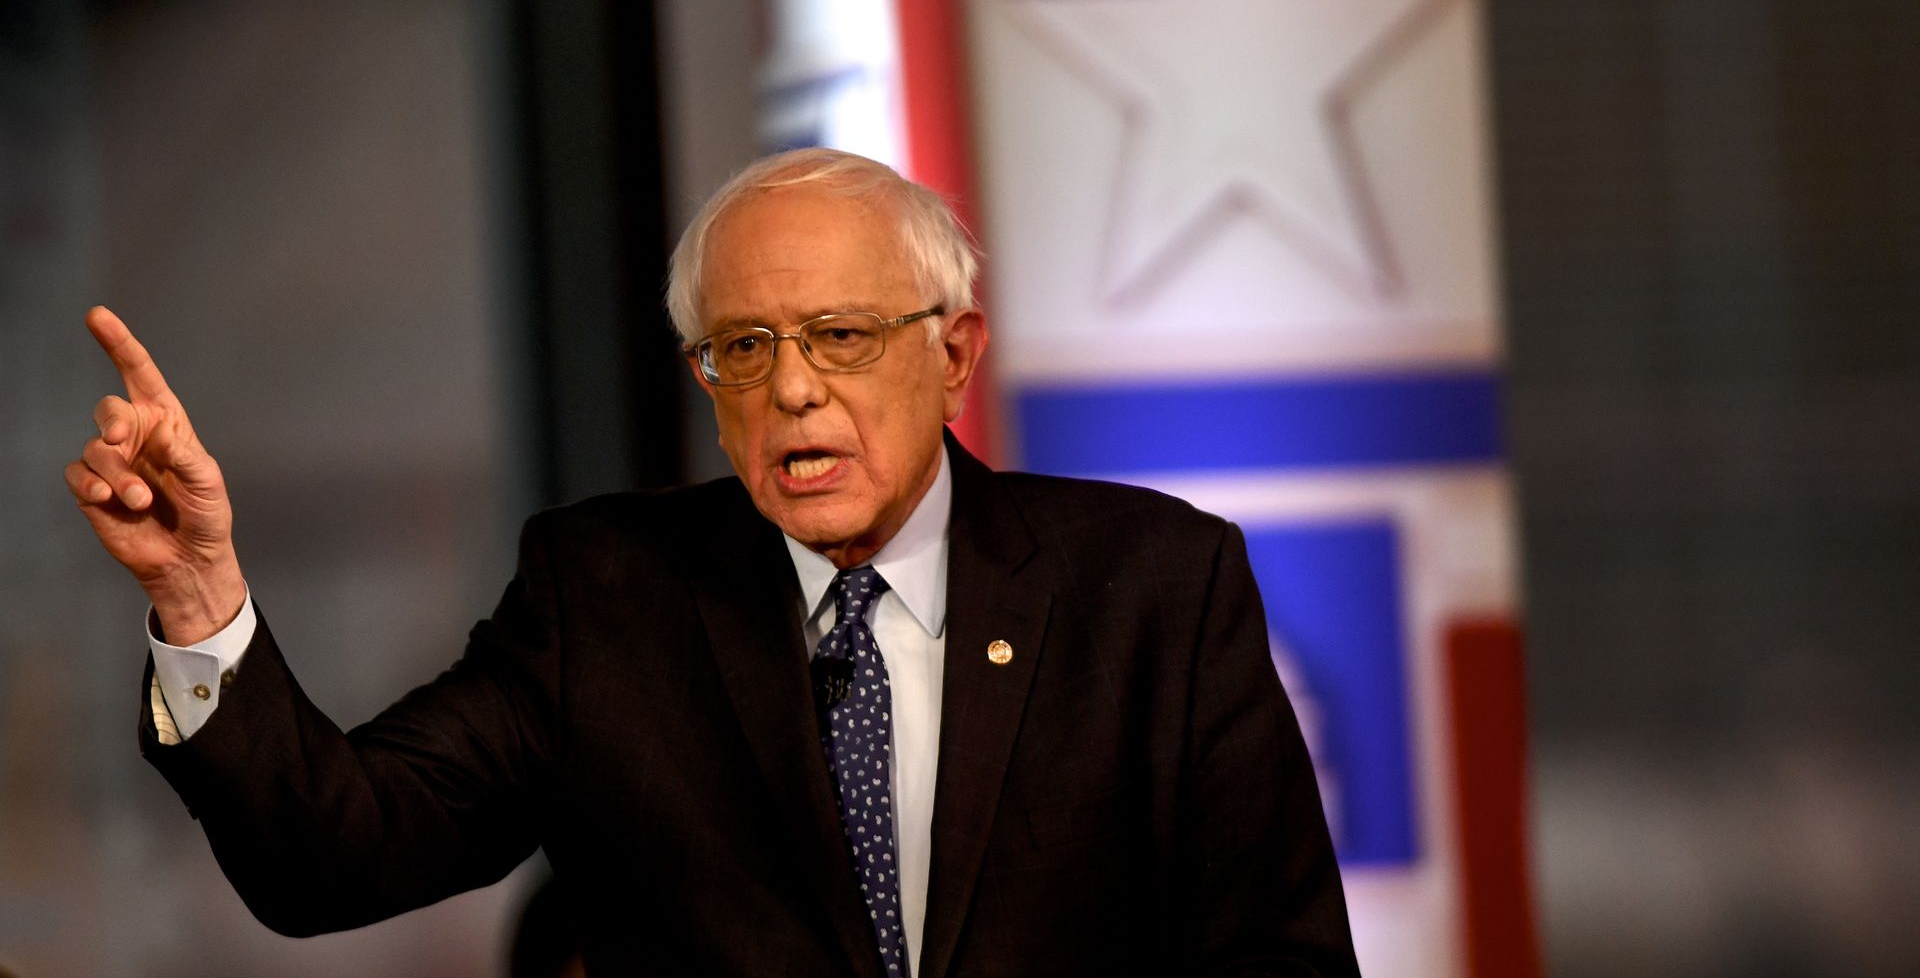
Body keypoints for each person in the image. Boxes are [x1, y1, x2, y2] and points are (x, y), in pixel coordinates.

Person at [68, 148, 1358, 976]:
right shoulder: (607, 598)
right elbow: (330, 857)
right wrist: (197, 593)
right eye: (742, 349)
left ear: (955, 354)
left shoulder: (1154, 587)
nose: (791, 389)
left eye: (841, 335)